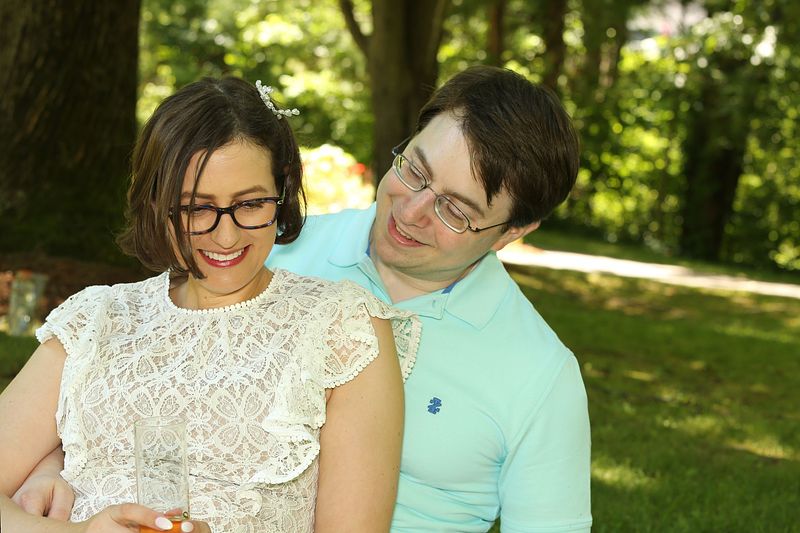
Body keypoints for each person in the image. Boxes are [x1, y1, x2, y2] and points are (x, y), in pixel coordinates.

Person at [16, 65, 591, 532]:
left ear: (513, 231)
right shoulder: (256, 241)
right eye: (414, 171)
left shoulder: (540, 375)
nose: (412, 211)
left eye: (456, 210)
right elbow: (134, 373)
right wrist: (52, 459)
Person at [0, 76, 420, 532]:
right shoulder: (95, 319)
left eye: (250, 203)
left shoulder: (344, 328)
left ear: (281, 193)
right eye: (196, 208)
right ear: (156, 204)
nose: (226, 236)